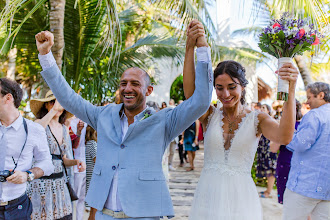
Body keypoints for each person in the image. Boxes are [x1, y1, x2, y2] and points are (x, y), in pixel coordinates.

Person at [35, 19, 212, 220]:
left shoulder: (164, 121)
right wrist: (45, 55)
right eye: (124, 83)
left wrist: (202, 48)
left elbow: (201, 102)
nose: (128, 88)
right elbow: (68, 98)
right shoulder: (103, 115)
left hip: (143, 215)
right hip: (104, 215)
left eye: (135, 84)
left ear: (149, 90)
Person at [182, 25, 298, 219]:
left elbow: (285, 136)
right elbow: (190, 96)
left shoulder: (257, 119)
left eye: (231, 87)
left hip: (241, 200)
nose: (225, 94)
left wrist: (291, 90)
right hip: (208, 196)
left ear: (243, 87)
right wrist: (189, 48)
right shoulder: (209, 114)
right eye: (219, 88)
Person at [0, 78, 54, 219]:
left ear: (8, 98)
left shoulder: (33, 130)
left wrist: (27, 175)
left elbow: (47, 164)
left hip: (18, 207)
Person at [28, 90, 86, 220]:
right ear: (46, 105)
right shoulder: (39, 123)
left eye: (58, 102)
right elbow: (36, 132)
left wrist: (76, 162)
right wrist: (54, 110)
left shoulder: (64, 129)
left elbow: (63, 159)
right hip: (41, 184)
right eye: (52, 102)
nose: (56, 105)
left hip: (60, 183)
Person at [282, 82, 330, 220]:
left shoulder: (314, 115)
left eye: (309, 97)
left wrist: (288, 135)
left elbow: (300, 144)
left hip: (304, 185)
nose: (307, 101)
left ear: (321, 95)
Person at [270, 99, 303, 204]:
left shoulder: (304, 126)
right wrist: (282, 131)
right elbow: (273, 149)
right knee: (289, 201)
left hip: (298, 166)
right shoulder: (281, 127)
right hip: (285, 165)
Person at [256, 104, 277, 199]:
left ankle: (269, 192)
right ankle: (267, 190)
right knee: (266, 169)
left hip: (269, 149)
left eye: (264, 108)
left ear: (268, 111)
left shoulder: (271, 121)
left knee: (270, 170)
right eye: (261, 108)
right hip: (262, 149)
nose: (261, 109)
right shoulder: (260, 121)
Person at [70, 117, 87, 220]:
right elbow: (74, 145)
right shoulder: (70, 121)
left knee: (82, 197)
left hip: (87, 163)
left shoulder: (87, 119)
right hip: (76, 164)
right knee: (74, 197)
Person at [85, 125, 97, 220]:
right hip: (94, 180)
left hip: (92, 179)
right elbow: (97, 160)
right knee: (94, 210)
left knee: (94, 210)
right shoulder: (92, 144)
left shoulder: (89, 143)